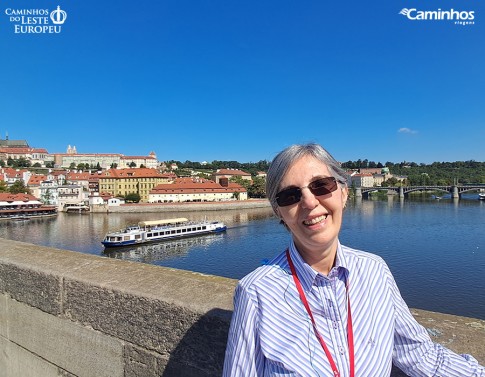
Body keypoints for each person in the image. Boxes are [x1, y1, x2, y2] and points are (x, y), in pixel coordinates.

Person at [223, 143, 484, 376]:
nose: (310, 202)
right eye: (290, 196)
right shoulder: (255, 292)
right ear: (279, 211)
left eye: (321, 185)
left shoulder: (375, 270)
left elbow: (419, 356)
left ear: (344, 192)